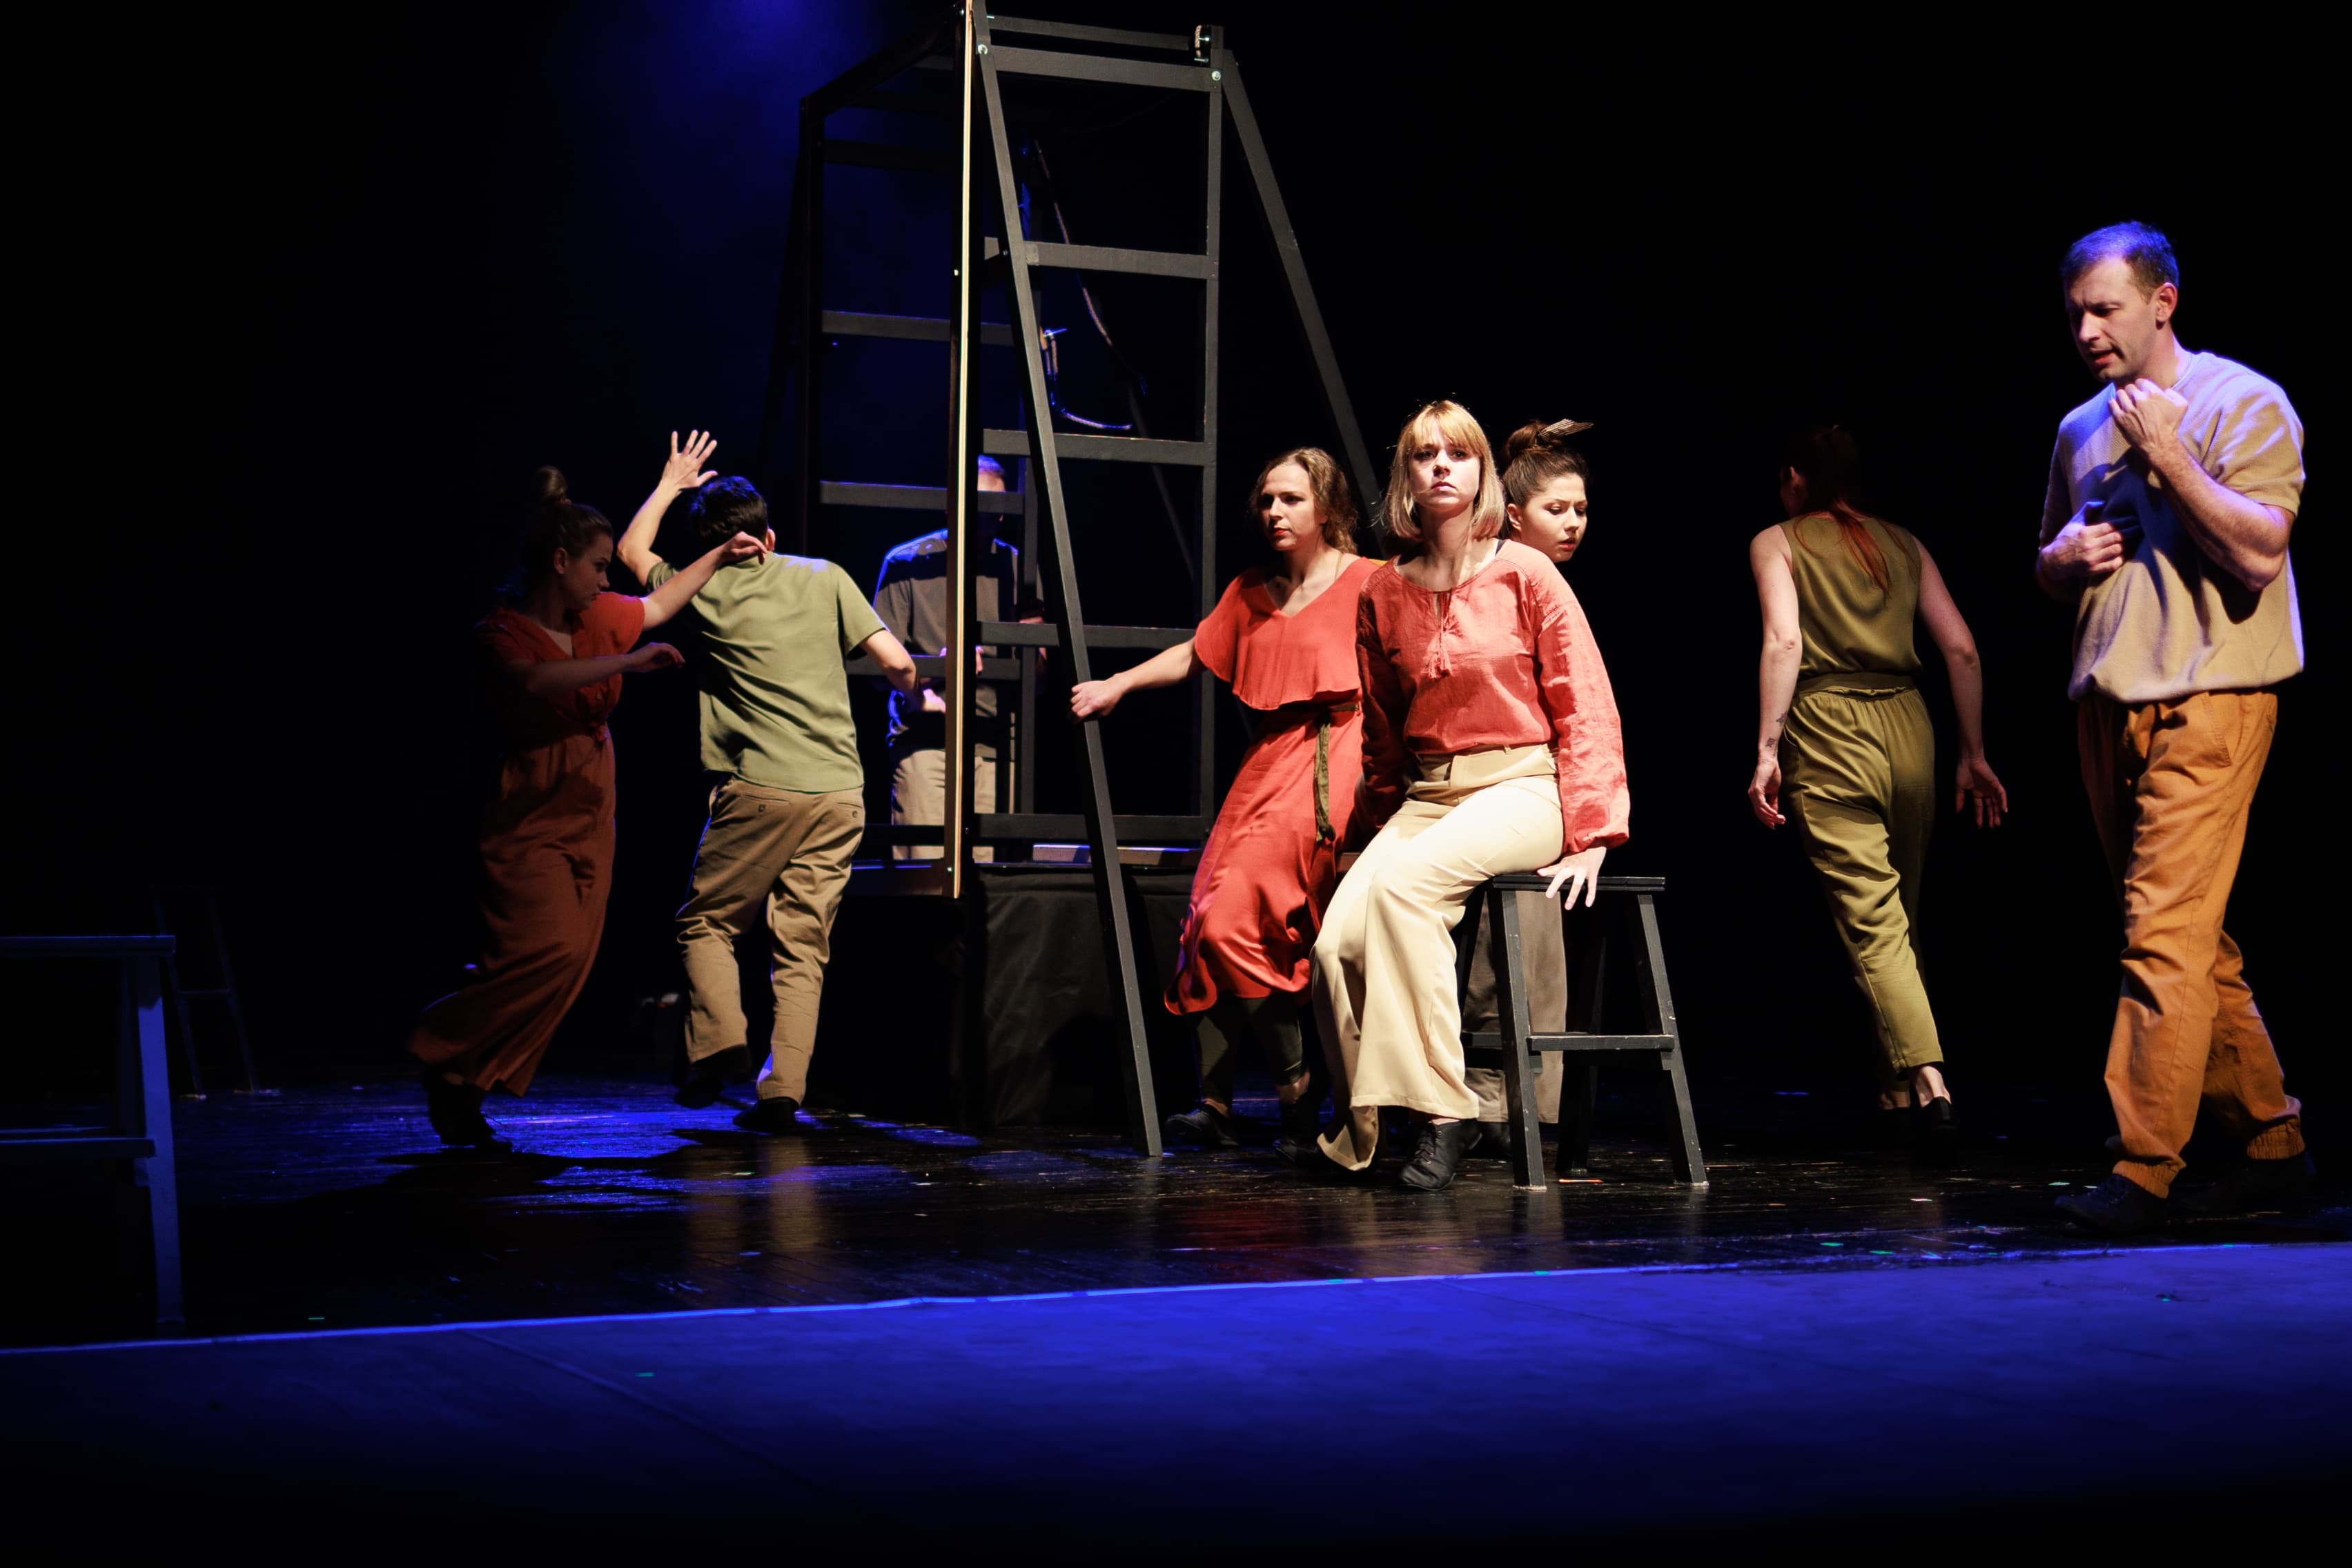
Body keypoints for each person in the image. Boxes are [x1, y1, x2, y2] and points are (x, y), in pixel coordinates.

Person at [2032, 223, 2309, 1234]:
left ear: (2163, 302)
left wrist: (2171, 457)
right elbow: (2048, 560)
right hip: (2110, 707)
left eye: (2105, 310)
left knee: (2161, 934)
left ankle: (2145, 1164)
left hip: (2213, 701)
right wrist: (2061, 561)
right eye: (2076, 314)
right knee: (2187, 937)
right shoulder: (2078, 428)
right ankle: (2273, 1143)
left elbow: (2263, 553)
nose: (2087, 331)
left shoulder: (2244, 402)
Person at [1301, 401, 1629, 1191]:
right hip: (1430, 794)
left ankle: (1443, 1112)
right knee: (1336, 943)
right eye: (1425, 455)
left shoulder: (1525, 571)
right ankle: (1367, 1120)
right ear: (1406, 477)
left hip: (1523, 785)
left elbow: (1584, 699)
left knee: (1407, 892)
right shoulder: (1384, 590)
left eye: (1458, 453)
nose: (1442, 466)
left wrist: (1593, 832)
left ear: (1483, 474)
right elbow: (1384, 732)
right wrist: (1366, 832)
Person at [410, 458, 768, 1148]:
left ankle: (465, 1083)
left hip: (592, 792)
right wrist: (628, 663)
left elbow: (658, 607)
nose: (607, 580)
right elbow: (536, 681)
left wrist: (719, 553)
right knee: (540, 949)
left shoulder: (597, 615)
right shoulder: (501, 631)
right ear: (560, 561)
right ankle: (441, 1043)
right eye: (598, 567)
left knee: (574, 955)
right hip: (531, 800)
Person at [614, 433, 920, 1133]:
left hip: (761, 788)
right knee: (803, 946)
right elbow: (899, 665)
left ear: (710, 547)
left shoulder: (700, 587)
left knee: (706, 923)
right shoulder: (825, 575)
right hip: (840, 791)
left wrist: (670, 484)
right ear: (769, 536)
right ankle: (783, 1091)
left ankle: (720, 1045)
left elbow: (631, 552)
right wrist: (918, 692)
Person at [1070, 449, 1376, 1148]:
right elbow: (1197, 652)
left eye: (1292, 499)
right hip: (1268, 759)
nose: (1274, 512)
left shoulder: (1369, 581)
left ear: (1328, 507)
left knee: (1239, 920)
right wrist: (1118, 685)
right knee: (1205, 919)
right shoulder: (1252, 591)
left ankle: (1297, 1084)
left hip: (1337, 755)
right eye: (1267, 500)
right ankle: (1218, 1102)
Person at [1746, 425, 2008, 1155]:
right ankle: (1894, 1091)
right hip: (1911, 727)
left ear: (1794, 478)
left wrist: (1766, 750)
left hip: (1829, 725)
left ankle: (1930, 1083)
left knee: (1872, 919)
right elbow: (1961, 648)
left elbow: (1785, 641)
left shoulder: (1777, 540)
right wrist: (1973, 753)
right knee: (1897, 915)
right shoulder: (1904, 542)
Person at [1459, 417, 1597, 1152]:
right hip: (1476, 775)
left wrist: (1593, 827)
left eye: (1581, 509)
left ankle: (1525, 1103)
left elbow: (1586, 709)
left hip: (1537, 780)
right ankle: (1481, 1096)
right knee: (1487, 934)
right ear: (1514, 515)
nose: (1573, 523)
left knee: (1529, 929)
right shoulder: (1491, 573)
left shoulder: (1548, 584)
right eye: (1557, 509)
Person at [874, 456, 1023, 861]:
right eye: (978, 505)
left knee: (991, 884)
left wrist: (1033, 643)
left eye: (997, 507)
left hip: (996, 748)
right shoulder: (907, 562)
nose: (989, 516)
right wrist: (940, 669)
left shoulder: (1015, 566)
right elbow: (877, 667)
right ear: (952, 506)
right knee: (925, 875)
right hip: (926, 744)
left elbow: (1040, 676)